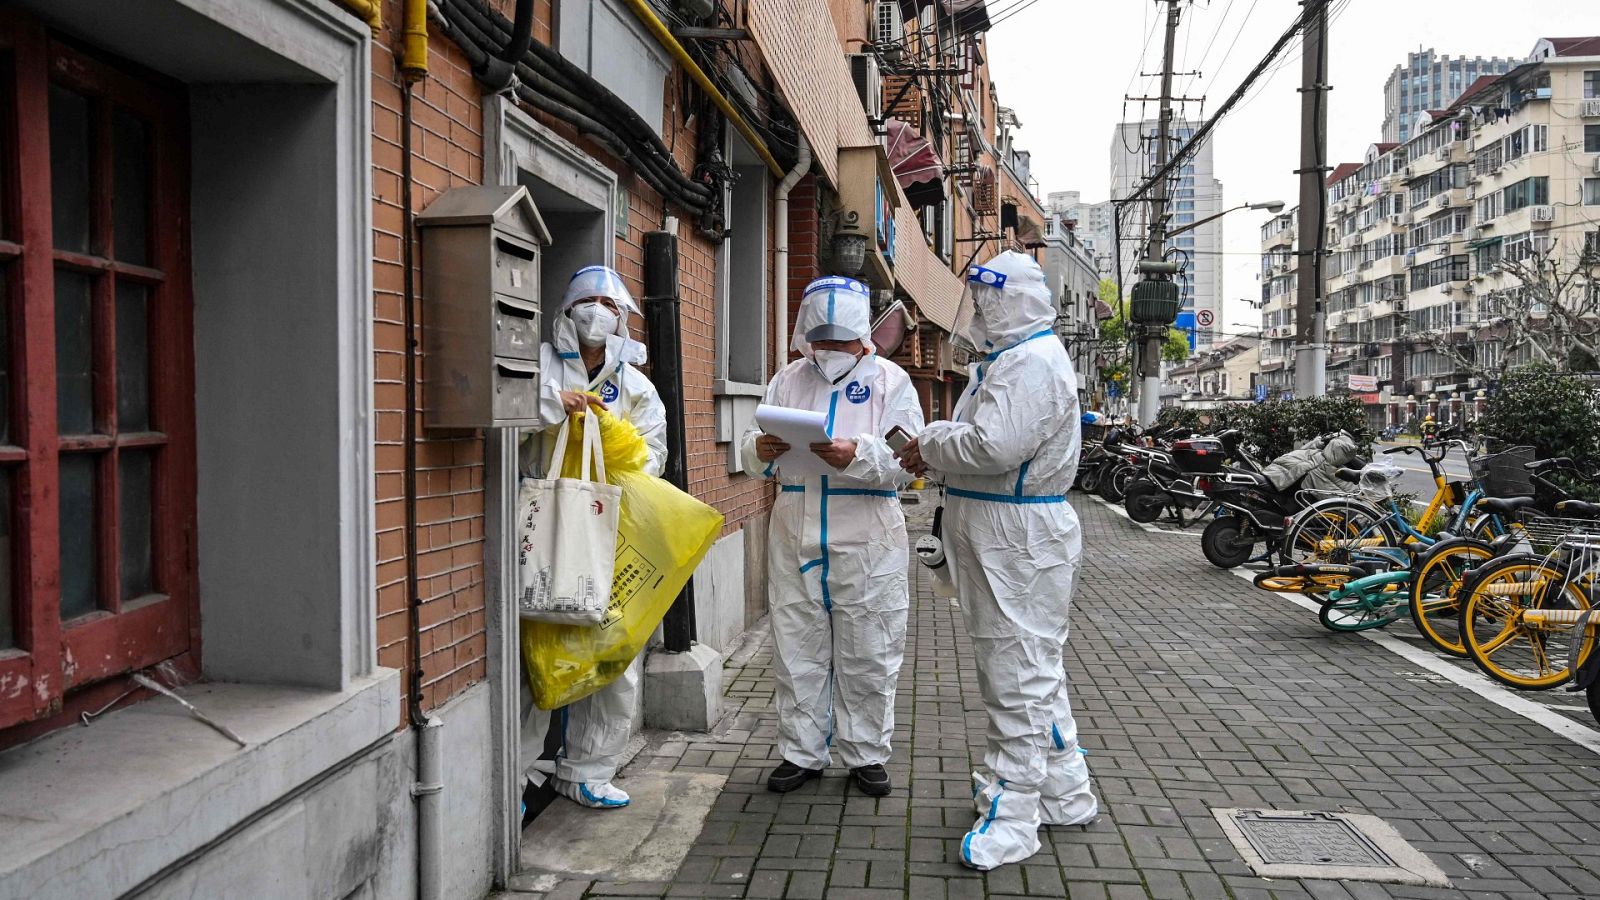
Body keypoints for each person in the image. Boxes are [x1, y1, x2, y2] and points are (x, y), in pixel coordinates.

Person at [896, 251, 1097, 871]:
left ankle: (1014, 813)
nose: (979, 311)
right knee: (1033, 667)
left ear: (1015, 300)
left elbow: (994, 445)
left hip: (1016, 533)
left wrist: (928, 441)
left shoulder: (1031, 363)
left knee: (1016, 673)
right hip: (1002, 528)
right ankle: (1065, 789)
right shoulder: (1014, 361)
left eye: (988, 300)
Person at [739, 276, 925, 797]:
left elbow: (908, 459)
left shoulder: (892, 383)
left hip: (866, 530)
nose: (829, 351)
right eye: (820, 341)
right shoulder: (788, 380)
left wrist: (858, 454)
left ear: (863, 337)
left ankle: (865, 754)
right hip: (795, 526)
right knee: (797, 644)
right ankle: (802, 752)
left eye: (840, 341)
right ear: (805, 336)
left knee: (870, 646)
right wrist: (762, 451)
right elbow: (750, 456)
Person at [519, 265, 666, 811]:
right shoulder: (540, 365)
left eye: (611, 302)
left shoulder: (636, 385)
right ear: (568, 309)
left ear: (622, 318)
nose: (599, 310)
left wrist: (614, 437)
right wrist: (559, 403)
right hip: (543, 527)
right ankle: (517, 772)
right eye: (590, 300)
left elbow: (654, 456)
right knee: (537, 652)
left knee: (611, 655)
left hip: (608, 530)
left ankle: (587, 770)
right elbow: (510, 412)